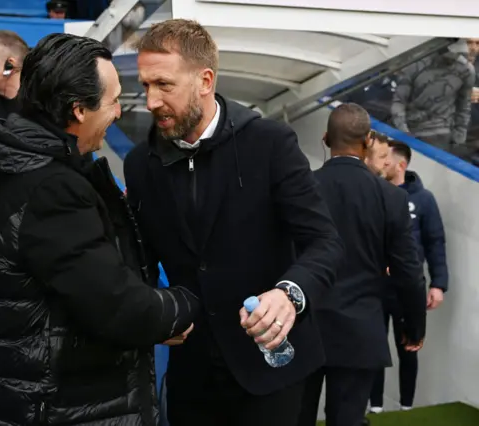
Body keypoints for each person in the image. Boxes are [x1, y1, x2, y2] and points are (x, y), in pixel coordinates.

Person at [0, 33, 200, 426]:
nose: (120, 112)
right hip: (56, 408)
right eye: (113, 101)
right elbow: (119, 306)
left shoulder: (9, 164)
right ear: (78, 111)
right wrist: (183, 304)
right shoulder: (51, 188)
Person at [123, 19, 343, 426]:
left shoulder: (271, 143)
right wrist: (152, 310)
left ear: (205, 80)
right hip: (192, 375)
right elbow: (141, 259)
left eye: (164, 85)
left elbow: (325, 242)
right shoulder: (140, 164)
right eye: (146, 85)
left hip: (274, 368)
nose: (150, 100)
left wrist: (288, 295)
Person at [297, 104, 427, 426]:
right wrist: (414, 327)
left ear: (326, 139)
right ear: (368, 141)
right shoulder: (391, 198)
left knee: (295, 417)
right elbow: (408, 272)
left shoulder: (300, 190)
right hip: (359, 331)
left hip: (303, 328)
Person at [369, 140, 448, 413]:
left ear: (401, 165)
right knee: (374, 344)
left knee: (409, 346)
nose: (382, 165)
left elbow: (435, 242)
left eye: (387, 161)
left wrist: (439, 284)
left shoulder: (423, 199)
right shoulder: (373, 192)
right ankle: (375, 406)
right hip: (375, 283)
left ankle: (407, 407)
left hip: (408, 287)